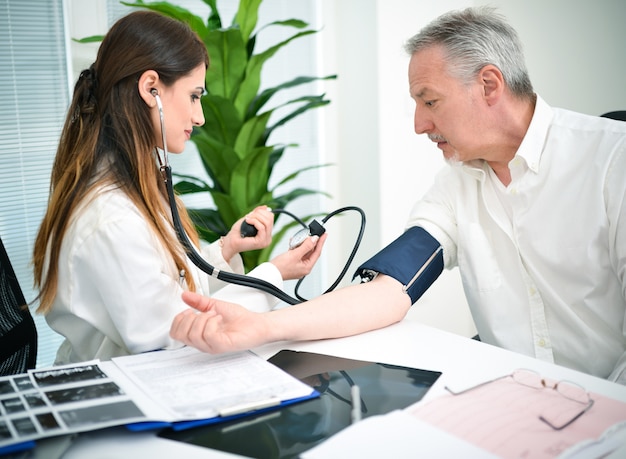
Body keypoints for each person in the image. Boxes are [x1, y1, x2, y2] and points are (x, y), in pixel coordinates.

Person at [169, 6, 626, 384]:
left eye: (429, 101)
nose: (419, 125)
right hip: (510, 403)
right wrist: (262, 327)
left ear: (489, 85)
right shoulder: (456, 184)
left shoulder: (611, 161)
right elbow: (390, 289)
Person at [32, 10, 325, 365]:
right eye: (194, 96)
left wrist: (226, 249)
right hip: (120, 397)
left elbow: (171, 292)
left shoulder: (130, 189)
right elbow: (177, 333)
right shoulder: (110, 218)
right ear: (151, 88)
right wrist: (275, 274)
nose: (199, 117)